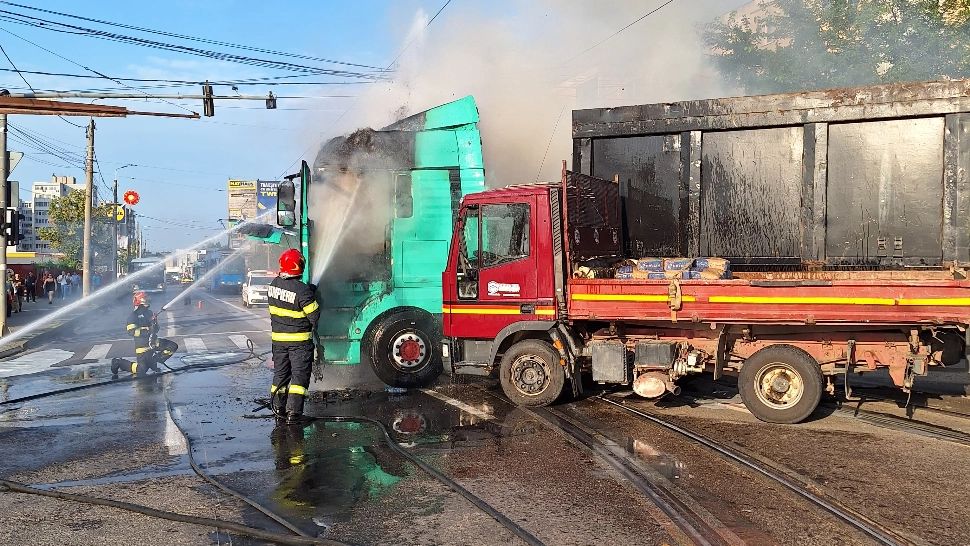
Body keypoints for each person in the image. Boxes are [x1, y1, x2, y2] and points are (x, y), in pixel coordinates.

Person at [268, 249, 320, 425]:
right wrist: (312, 295)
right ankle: (294, 414)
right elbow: (314, 316)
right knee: (299, 377)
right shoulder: (303, 291)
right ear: (300, 266)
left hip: (278, 342)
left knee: (280, 376)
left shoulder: (273, 285)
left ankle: (278, 408)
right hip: (299, 343)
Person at [111, 291, 178, 376]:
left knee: (172, 347)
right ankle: (118, 362)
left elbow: (156, 329)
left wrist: (154, 323)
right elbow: (131, 331)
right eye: (145, 298)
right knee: (141, 370)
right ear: (139, 301)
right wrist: (148, 330)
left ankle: (154, 360)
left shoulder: (150, 313)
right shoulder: (133, 316)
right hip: (142, 347)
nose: (148, 300)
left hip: (154, 342)